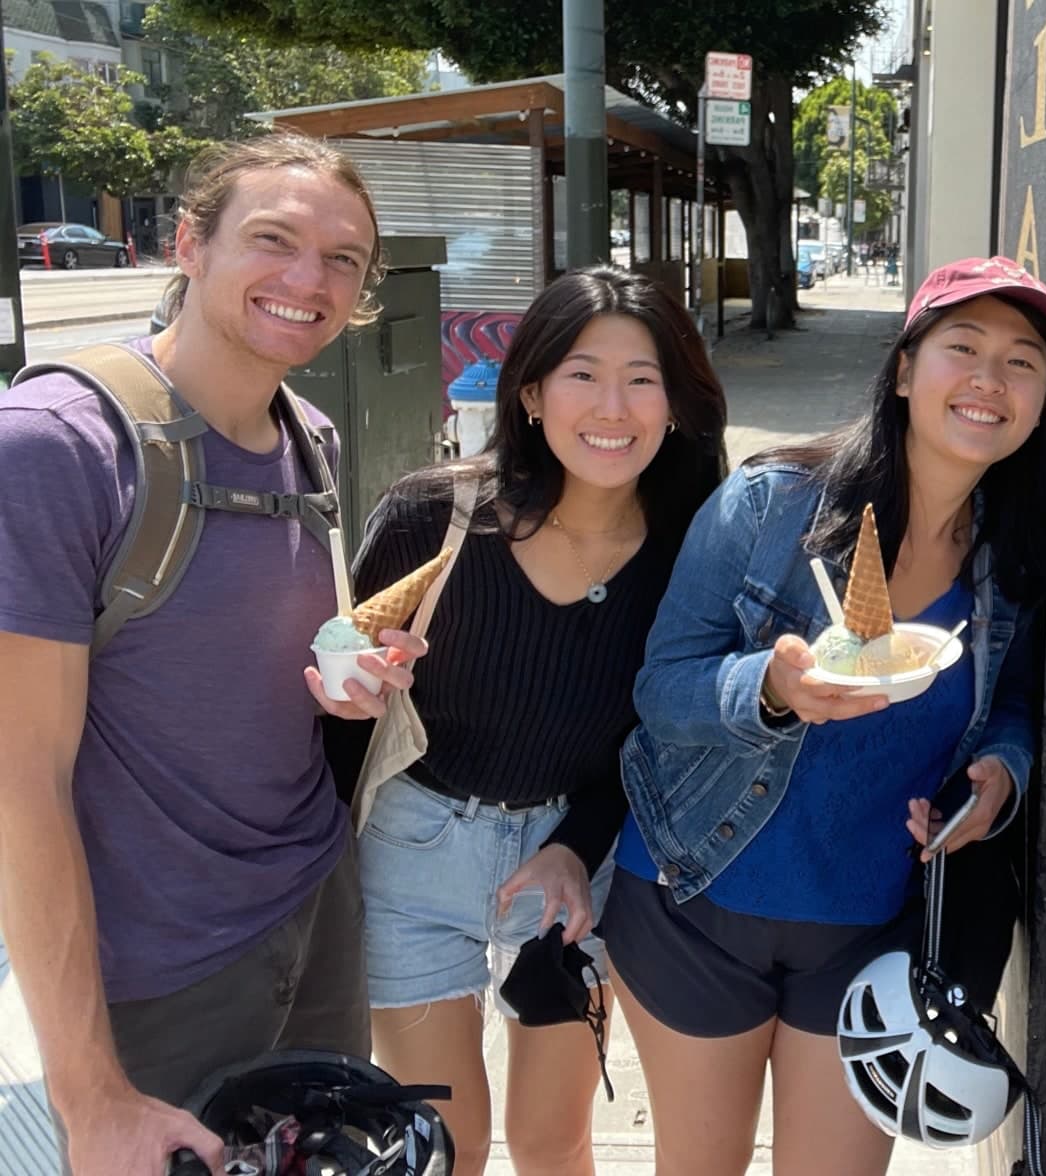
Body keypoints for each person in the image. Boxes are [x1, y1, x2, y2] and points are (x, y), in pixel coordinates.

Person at [599, 256, 1046, 1176]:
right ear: (904, 370)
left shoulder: (1012, 555)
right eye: (961, 347)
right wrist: (771, 694)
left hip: (869, 926)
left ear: (1044, 398)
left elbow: (1010, 698)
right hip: (696, 896)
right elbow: (661, 690)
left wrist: (1002, 771)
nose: (988, 380)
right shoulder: (771, 506)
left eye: (1022, 362)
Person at [0, 134, 409, 1175]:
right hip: (155, 975)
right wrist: (91, 1099)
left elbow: (254, 669)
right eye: (273, 240)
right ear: (188, 242)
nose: (307, 280)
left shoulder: (306, 432)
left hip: (318, 914)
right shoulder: (55, 445)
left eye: (343, 260)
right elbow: (20, 784)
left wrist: (347, 682)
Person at [319, 267, 727, 1175]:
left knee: (553, 1141)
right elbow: (341, 683)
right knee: (445, 1145)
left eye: (643, 377)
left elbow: (659, 741)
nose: (612, 405)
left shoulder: (690, 549)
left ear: (675, 403)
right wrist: (349, 683)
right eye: (583, 374)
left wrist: (577, 845)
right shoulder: (436, 517)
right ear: (533, 393)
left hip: (574, 863)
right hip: (412, 854)